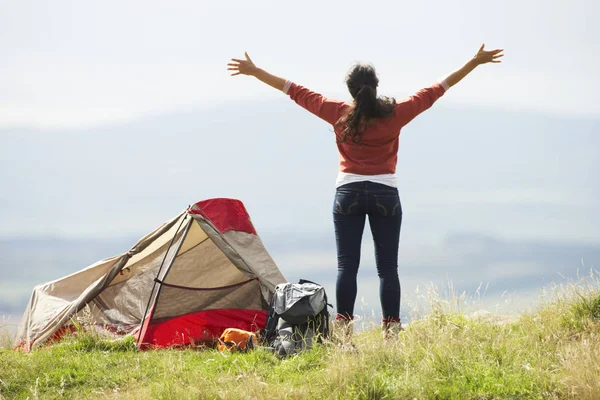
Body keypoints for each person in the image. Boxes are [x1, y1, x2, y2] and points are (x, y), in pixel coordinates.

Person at [227, 44, 504, 340]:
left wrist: (255, 72)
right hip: (386, 195)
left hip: (348, 194)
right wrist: (473, 62)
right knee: (388, 268)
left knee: (347, 266)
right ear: (376, 87)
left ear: (350, 90)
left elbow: (293, 90)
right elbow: (438, 89)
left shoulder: (337, 113)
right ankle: (391, 330)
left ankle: (344, 330)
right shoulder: (396, 114)